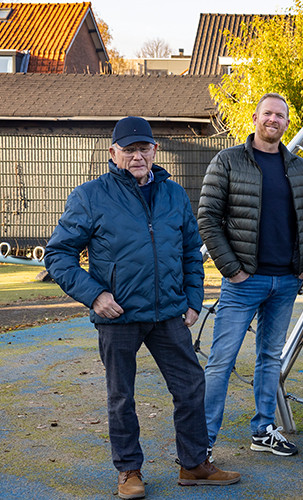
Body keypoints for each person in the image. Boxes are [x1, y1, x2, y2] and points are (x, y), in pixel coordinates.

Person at [45, 117, 240, 499]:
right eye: (129, 149)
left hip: (168, 312)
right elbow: (59, 255)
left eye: (144, 148)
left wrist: (193, 299)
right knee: (122, 396)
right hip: (118, 315)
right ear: (113, 153)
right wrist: (96, 296)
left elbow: (190, 252)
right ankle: (129, 471)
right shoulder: (90, 196)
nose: (137, 156)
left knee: (190, 387)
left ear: (155, 151)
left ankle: (194, 464)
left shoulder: (173, 194)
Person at [198, 93, 303, 458]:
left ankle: (263, 429)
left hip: (285, 280)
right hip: (244, 281)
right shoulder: (229, 161)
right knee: (222, 360)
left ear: (286, 122)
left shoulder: (298, 168)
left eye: (280, 115)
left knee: (269, 357)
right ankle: (201, 442)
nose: (274, 120)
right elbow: (207, 218)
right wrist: (232, 270)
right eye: (268, 113)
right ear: (255, 117)